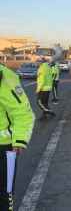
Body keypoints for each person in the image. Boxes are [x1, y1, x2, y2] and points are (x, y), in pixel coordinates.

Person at [0, 63, 35, 211]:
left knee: (5, 194)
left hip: (4, 148)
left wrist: (19, 141)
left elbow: (23, 112)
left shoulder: (5, 77)